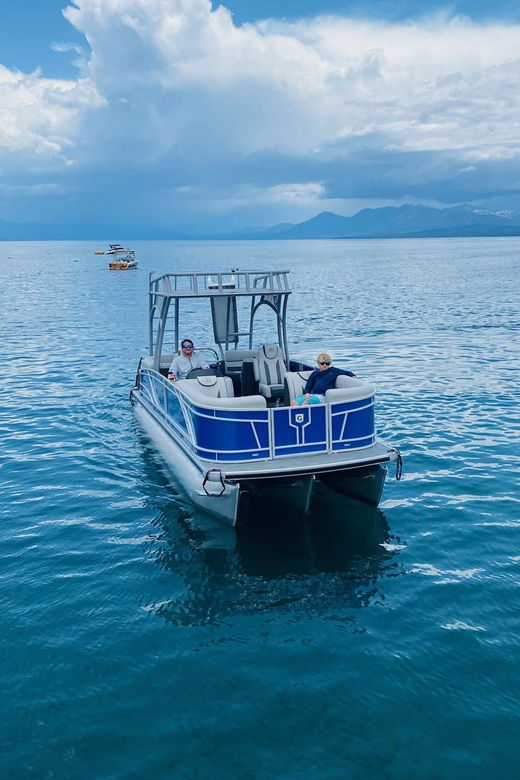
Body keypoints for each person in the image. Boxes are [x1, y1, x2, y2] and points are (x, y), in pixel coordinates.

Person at [291, 352, 356, 405]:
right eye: (322, 363)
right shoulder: (314, 374)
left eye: (327, 363)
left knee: (306, 402)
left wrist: (353, 375)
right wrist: (307, 393)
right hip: (312, 395)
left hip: (323, 396)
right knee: (294, 402)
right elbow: (308, 385)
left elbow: (347, 372)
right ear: (318, 363)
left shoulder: (333, 371)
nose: (324, 365)